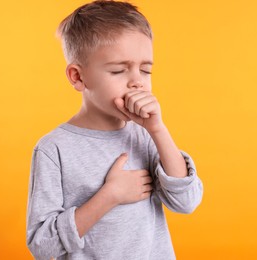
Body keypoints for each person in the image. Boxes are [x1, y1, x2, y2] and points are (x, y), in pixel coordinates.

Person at [26, 1, 203, 259]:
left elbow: (186, 203)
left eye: (145, 70)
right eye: (119, 70)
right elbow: (41, 245)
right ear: (78, 77)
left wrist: (158, 130)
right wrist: (110, 196)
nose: (137, 82)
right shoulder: (54, 149)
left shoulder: (145, 134)